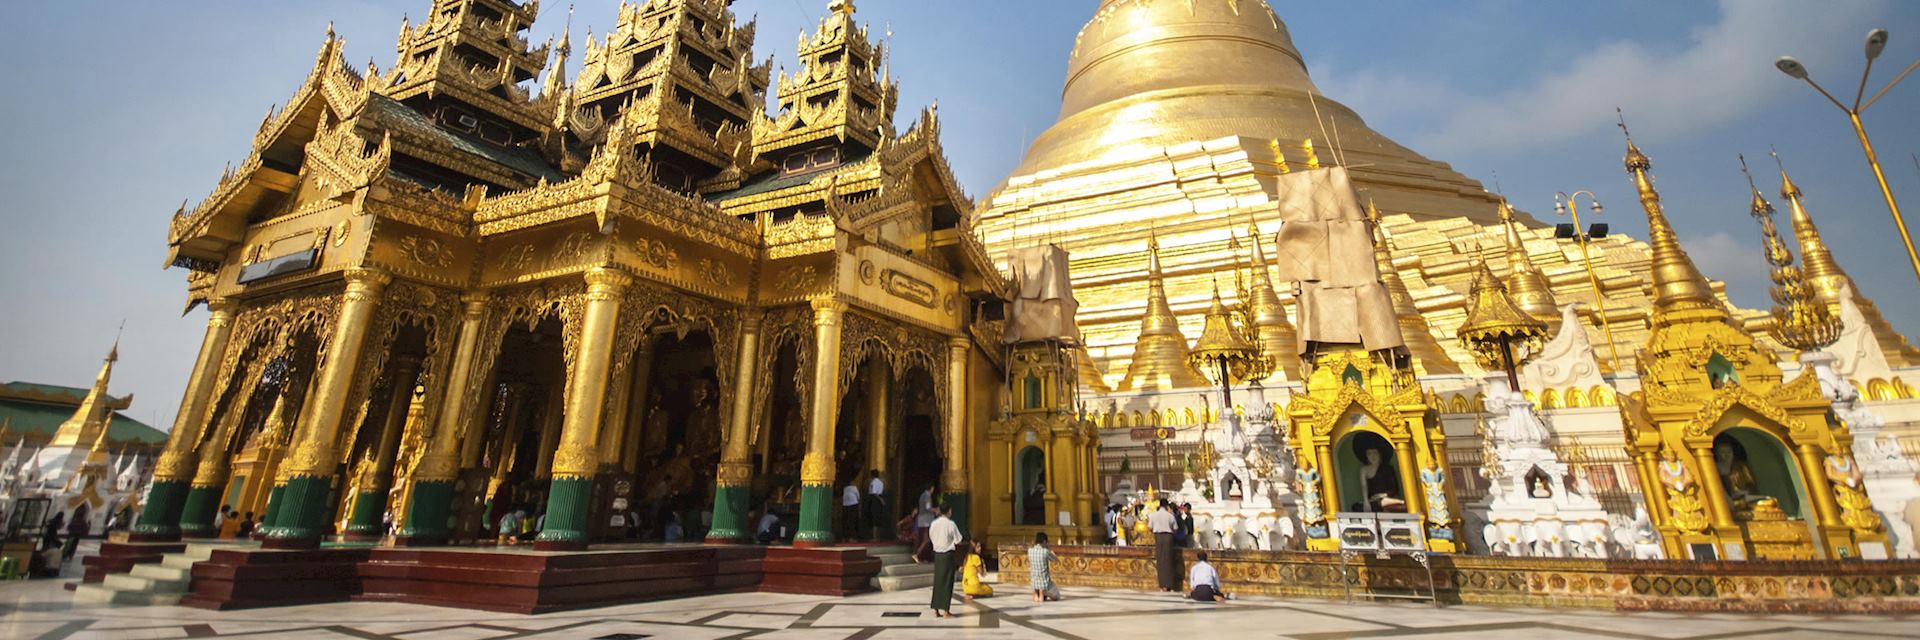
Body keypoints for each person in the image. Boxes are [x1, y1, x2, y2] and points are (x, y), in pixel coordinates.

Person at [926, 505, 961, 618]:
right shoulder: (951, 524)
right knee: (947, 582)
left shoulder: (934, 523)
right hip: (947, 554)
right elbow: (958, 539)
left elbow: (931, 536)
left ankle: (936, 609)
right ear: (949, 511)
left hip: (937, 555)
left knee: (938, 581)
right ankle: (946, 610)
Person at [1148, 502, 1180, 592]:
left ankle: (1162, 585)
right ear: (1166, 506)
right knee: (1169, 559)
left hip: (1158, 537)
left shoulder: (1153, 515)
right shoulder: (1170, 516)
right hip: (1168, 537)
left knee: (1160, 560)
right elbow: (1175, 528)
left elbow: (1150, 527)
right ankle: (1170, 585)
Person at [1028, 532, 1060, 602]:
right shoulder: (1045, 551)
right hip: (1044, 582)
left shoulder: (1030, 550)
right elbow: (1055, 559)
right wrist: (1050, 550)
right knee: (1057, 596)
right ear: (1044, 541)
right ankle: (1042, 592)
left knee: (1037, 591)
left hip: (1034, 581)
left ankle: (1036, 593)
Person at [912, 484, 937, 563]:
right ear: (931, 488)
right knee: (926, 539)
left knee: (923, 539)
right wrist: (936, 510)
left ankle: (922, 556)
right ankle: (917, 554)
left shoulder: (922, 495)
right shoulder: (927, 496)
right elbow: (928, 508)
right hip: (926, 520)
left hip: (922, 519)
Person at [865, 469, 886, 540]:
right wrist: (882, 500)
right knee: (878, 517)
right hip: (879, 499)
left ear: (872, 475)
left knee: (874, 518)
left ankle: (874, 537)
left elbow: (874, 493)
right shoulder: (881, 482)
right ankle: (878, 537)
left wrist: (880, 499)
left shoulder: (873, 482)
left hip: (874, 499)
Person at [841, 476, 863, 540]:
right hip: (853, 505)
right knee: (853, 521)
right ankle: (852, 537)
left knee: (846, 521)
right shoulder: (854, 488)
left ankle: (845, 537)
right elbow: (858, 496)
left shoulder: (845, 488)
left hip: (845, 506)